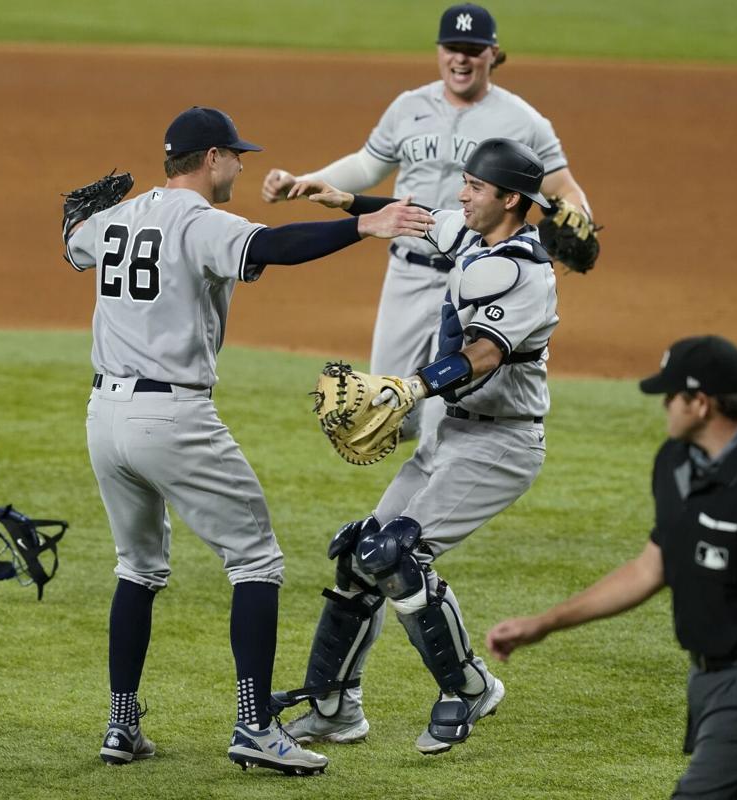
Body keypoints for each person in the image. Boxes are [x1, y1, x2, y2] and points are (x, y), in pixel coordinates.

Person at [63, 106, 432, 775]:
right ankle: (255, 726)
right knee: (256, 559)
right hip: (171, 418)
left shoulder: (117, 219)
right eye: (237, 155)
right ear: (209, 159)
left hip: (103, 419)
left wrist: (75, 223)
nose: (241, 164)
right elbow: (271, 249)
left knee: (137, 568)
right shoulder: (200, 222)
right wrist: (366, 225)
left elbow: (73, 240)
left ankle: (121, 726)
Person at [274, 138, 558, 754]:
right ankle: (333, 707)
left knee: (397, 555)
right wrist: (345, 200)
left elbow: (484, 353)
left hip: (500, 447)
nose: (462, 193)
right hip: (447, 435)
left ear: (510, 199)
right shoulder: (474, 235)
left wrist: (410, 386)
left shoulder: (523, 271)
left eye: (475, 187)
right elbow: (422, 218)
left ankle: (470, 687)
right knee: (358, 556)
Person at [261, 2, 591, 487]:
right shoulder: (408, 106)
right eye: (452, 49)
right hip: (407, 271)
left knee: (446, 408)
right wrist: (310, 180)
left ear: (493, 54)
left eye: (472, 51)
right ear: (438, 52)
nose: (461, 59)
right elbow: (368, 164)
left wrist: (581, 217)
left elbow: (564, 186)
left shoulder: (524, 122)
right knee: (386, 408)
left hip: (475, 280)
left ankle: (414, 531)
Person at [485, 334, 737, 798]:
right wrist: (544, 624)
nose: (664, 406)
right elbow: (650, 568)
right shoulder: (676, 464)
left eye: (670, 396)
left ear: (701, 403)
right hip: (710, 680)